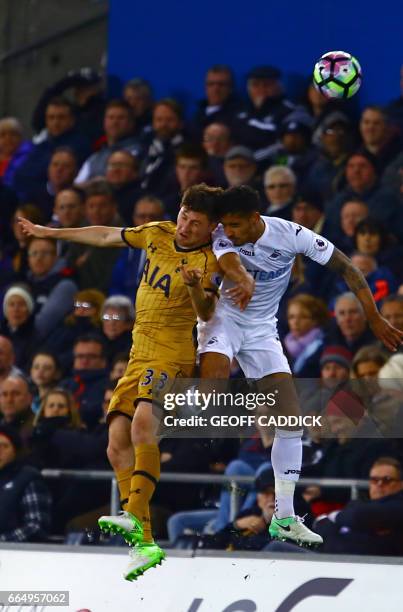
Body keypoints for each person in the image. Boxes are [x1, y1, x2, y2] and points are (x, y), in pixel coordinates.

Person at [18, 183, 253, 580]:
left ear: (211, 226)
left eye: (196, 223)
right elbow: (106, 234)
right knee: (115, 444)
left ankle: (132, 512)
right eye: (183, 216)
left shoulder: (211, 260)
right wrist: (50, 233)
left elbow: (208, 312)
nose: (185, 227)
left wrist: (195, 286)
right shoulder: (156, 233)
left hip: (173, 354)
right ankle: (143, 540)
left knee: (144, 425)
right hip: (137, 354)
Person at [197, 185, 403, 549]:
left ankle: (285, 517)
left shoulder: (291, 234)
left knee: (290, 423)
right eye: (224, 225)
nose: (228, 231)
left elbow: (347, 267)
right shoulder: (221, 235)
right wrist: (243, 278)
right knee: (210, 397)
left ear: (256, 219)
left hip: (262, 330)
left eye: (235, 225)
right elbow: (228, 260)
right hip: (223, 321)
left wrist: (372, 316)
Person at [315, 456, 403, 555]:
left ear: (400, 484)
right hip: (336, 560)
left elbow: (357, 516)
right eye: (374, 480)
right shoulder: (358, 504)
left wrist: (334, 516)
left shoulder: (398, 506)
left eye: (387, 480)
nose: (379, 484)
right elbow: (321, 528)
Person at [0, 424, 52, 542]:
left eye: (4, 446)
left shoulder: (28, 479)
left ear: (15, 451)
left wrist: (3, 541)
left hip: (16, 554)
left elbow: (36, 527)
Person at [108, 196, 165, 299]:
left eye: (153, 217)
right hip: (126, 305)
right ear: (134, 219)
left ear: (163, 220)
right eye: (142, 216)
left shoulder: (170, 250)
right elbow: (116, 284)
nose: (148, 221)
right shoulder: (126, 247)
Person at [75, 100, 140, 183]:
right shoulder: (94, 158)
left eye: (121, 118)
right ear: (104, 122)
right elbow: (77, 186)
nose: (115, 122)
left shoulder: (139, 152)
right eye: (111, 117)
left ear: (131, 123)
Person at [192, 65, 241, 137]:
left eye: (221, 85)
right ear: (205, 87)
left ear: (231, 88)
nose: (216, 89)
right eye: (211, 84)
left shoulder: (237, 115)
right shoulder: (198, 113)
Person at [105, 150, 144, 224]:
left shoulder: (141, 199)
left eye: (121, 165)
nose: (116, 169)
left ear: (135, 171)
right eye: (112, 165)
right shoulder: (102, 195)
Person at [0, 117, 33, 188]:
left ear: (21, 136)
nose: (8, 138)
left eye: (13, 134)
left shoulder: (31, 156)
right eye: (3, 135)